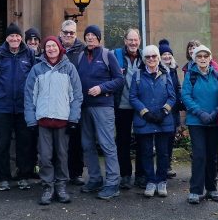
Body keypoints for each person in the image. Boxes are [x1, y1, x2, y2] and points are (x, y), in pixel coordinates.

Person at [24, 36, 83, 205]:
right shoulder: (37, 69)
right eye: (48, 46)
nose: (51, 49)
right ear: (44, 50)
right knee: (44, 156)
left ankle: (61, 186)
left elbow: (77, 96)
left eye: (53, 46)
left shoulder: (69, 68)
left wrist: (73, 118)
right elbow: (29, 96)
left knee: (62, 155)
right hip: (43, 121)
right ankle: (47, 187)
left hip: (63, 120)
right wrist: (30, 119)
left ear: (59, 48)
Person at [71, 24, 125, 199]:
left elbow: (119, 80)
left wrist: (101, 88)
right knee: (87, 145)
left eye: (93, 36)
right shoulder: (79, 57)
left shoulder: (107, 55)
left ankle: (112, 183)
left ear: (99, 39)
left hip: (103, 106)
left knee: (107, 145)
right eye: (87, 36)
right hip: (84, 107)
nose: (90, 38)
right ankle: (94, 179)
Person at [0, 23, 37, 191]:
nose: (15, 38)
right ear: (7, 38)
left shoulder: (29, 53)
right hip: (3, 106)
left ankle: (23, 176)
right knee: (2, 143)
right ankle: (3, 177)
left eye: (17, 36)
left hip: (23, 105)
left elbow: (35, 77)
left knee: (24, 143)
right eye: (11, 36)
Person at [130, 44, 177, 197]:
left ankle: (162, 181)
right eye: (148, 57)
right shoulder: (137, 75)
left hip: (163, 121)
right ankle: (150, 181)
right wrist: (145, 113)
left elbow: (172, 96)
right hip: (145, 121)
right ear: (144, 59)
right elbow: (133, 97)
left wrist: (164, 111)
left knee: (163, 153)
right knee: (146, 153)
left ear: (158, 58)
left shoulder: (166, 74)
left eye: (154, 56)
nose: (151, 59)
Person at [180, 44, 218, 204]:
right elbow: (186, 96)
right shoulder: (190, 75)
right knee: (199, 155)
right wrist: (200, 113)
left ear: (210, 58)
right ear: (195, 59)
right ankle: (196, 190)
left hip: (213, 121)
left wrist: (214, 113)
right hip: (196, 122)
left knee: (212, 156)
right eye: (199, 56)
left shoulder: (217, 76)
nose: (203, 59)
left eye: (205, 56)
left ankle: (212, 189)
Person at [112, 28, 144, 189]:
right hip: (122, 106)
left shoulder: (145, 57)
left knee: (141, 141)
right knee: (122, 142)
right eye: (130, 40)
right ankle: (125, 175)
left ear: (139, 41)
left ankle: (140, 176)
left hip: (140, 108)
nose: (133, 43)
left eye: (135, 40)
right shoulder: (115, 56)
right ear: (125, 41)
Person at [59, 19, 86, 185]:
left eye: (72, 32)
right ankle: (61, 172)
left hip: (77, 99)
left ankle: (76, 173)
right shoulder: (53, 47)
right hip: (58, 100)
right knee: (59, 139)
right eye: (66, 32)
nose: (69, 35)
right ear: (60, 32)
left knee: (76, 138)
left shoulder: (83, 50)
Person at [158, 39, 182, 179]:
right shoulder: (159, 69)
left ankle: (167, 166)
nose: (167, 56)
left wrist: (180, 100)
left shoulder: (173, 69)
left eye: (168, 54)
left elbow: (177, 86)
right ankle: (163, 166)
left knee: (170, 139)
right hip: (163, 109)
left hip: (173, 110)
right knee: (163, 139)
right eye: (164, 54)